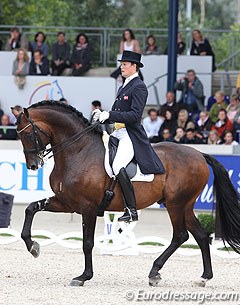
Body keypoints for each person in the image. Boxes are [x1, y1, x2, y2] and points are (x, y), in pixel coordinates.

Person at [96, 50, 164, 222]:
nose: (122, 67)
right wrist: (102, 115)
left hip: (129, 134)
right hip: (117, 132)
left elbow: (134, 115)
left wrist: (110, 115)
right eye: (122, 64)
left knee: (118, 166)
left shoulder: (139, 86)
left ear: (134, 66)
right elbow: (118, 112)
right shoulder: (124, 86)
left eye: (125, 64)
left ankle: (131, 209)